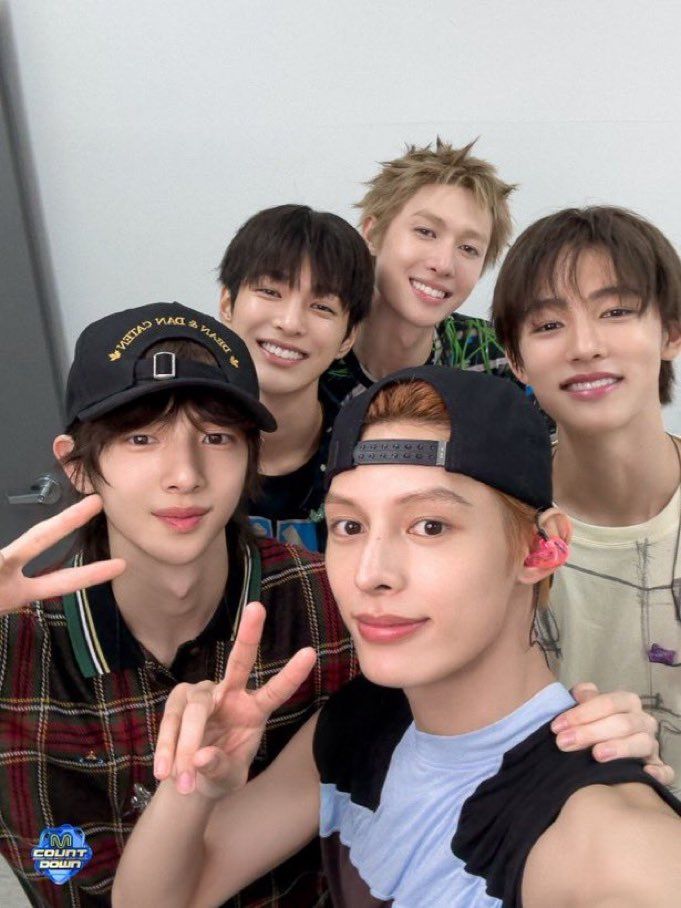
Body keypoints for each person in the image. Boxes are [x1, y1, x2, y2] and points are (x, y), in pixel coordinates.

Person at [113, 367, 681, 908]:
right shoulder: (359, 721)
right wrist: (194, 784)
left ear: (541, 548)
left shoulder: (607, 837)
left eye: (429, 526)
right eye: (350, 527)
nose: (371, 573)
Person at [0, 302, 356, 907]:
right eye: (141, 438)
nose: (185, 475)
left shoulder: (335, 602)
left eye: (216, 437)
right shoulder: (14, 640)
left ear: (252, 455)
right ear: (76, 465)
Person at [492, 205, 681, 793]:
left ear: (672, 332)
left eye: (616, 311)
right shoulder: (495, 527)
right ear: (517, 359)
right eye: (549, 324)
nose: (586, 345)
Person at [218, 204, 374, 551]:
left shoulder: (370, 453)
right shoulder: (171, 445)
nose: (290, 323)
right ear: (227, 303)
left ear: (347, 338)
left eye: (322, 307)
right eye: (270, 292)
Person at [321, 138, 517, 409]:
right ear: (372, 233)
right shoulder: (314, 342)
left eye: (468, 248)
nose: (444, 264)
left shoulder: (494, 358)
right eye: (425, 232)